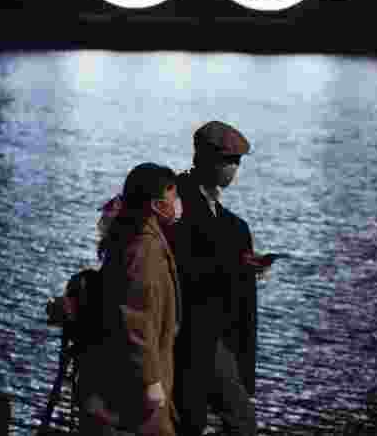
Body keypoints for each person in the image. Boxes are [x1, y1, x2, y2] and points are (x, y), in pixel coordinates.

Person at [164, 122, 276, 436]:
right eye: (229, 161)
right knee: (220, 419)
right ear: (206, 159)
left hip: (216, 334)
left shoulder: (228, 221)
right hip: (189, 335)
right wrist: (235, 267)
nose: (234, 169)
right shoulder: (177, 202)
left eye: (237, 162)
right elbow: (182, 266)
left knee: (225, 418)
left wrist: (244, 265)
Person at [77, 163, 184, 436]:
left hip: (124, 389)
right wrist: (151, 382)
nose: (177, 203)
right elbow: (135, 319)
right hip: (133, 394)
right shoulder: (144, 250)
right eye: (173, 196)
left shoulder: (138, 238)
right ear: (157, 204)